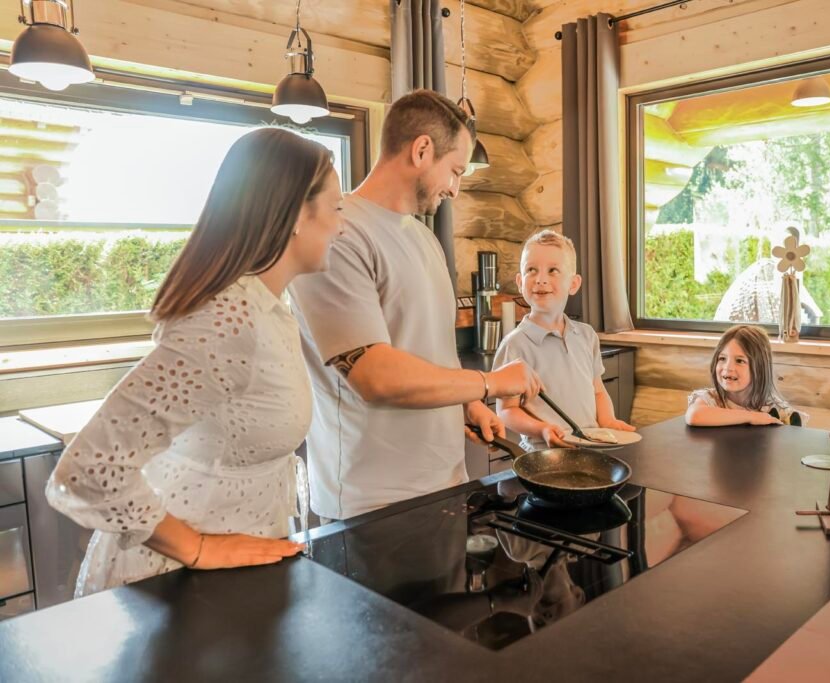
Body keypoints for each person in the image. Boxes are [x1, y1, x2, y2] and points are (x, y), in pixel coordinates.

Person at [46, 128, 343, 596]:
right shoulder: (229, 319)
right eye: (336, 209)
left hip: (235, 574)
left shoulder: (268, 309)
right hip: (174, 583)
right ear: (295, 216)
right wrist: (197, 548)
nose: (341, 227)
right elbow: (91, 470)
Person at [289, 89, 542, 521]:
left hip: (444, 483)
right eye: (455, 170)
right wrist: (489, 383)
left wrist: (466, 404)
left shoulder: (425, 238)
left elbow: (430, 350)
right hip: (370, 502)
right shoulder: (339, 235)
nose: (455, 189)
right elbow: (374, 376)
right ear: (422, 150)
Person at [493, 230, 635, 450]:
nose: (541, 279)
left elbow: (598, 391)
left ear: (573, 284)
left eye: (553, 271)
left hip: (590, 449)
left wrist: (608, 422)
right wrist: (541, 429)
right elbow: (506, 410)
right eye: (531, 270)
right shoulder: (514, 345)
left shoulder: (587, 336)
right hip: (543, 455)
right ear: (520, 282)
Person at [685, 324, 806, 427]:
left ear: (759, 368)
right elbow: (694, 416)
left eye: (739, 361)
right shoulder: (711, 399)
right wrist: (752, 417)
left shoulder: (772, 406)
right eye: (722, 358)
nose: (728, 367)